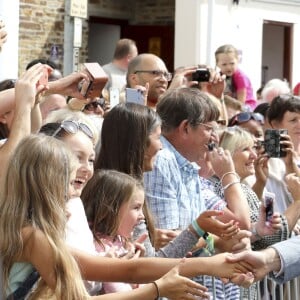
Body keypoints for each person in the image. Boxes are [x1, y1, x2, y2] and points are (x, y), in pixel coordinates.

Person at [0, 134, 212, 300]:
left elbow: (129, 269)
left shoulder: (28, 230)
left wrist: (213, 265)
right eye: (71, 182)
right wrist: (156, 289)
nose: (75, 192)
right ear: (50, 184)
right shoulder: (32, 236)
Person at [215, 44, 256, 111]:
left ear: (237, 61)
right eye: (224, 64)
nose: (228, 67)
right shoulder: (219, 76)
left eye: (232, 63)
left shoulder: (240, 77)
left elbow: (241, 102)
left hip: (246, 106)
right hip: (230, 106)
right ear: (217, 64)